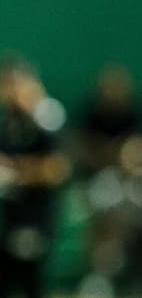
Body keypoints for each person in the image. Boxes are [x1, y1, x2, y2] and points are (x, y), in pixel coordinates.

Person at [0, 53, 71, 298]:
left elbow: (56, 168)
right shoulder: (5, 120)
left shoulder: (46, 116)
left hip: (35, 217)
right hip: (7, 216)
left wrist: (12, 171)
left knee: (31, 286)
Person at [75, 64, 142, 298]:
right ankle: (100, 276)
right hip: (101, 179)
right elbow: (84, 149)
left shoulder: (132, 114)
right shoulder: (92, 114)